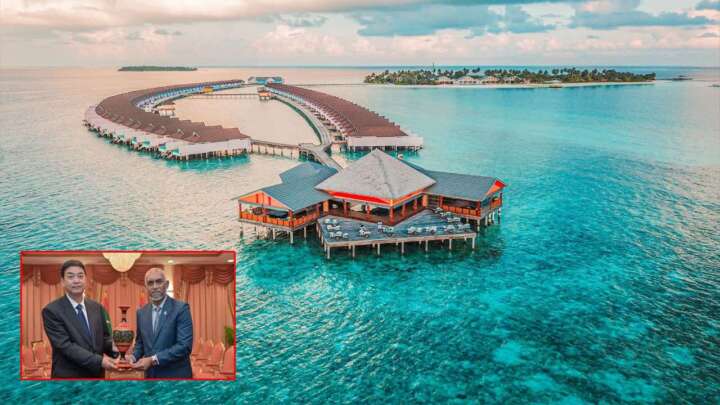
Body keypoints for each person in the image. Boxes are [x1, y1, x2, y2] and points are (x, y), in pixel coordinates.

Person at [42, 259, 118, 378]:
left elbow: (104, 338)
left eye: (80, 276)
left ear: (85, 280)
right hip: (68, 377)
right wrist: (99, 361)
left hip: (96, 376)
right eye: (71, 276)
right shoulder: (52, 311)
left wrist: (116, 348)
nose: (76, 280)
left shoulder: (97, 308)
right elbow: (66, 346)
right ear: (62, 282)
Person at [129, 267, 193, 378]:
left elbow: (184, 346)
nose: (155, 287)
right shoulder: (141, 313)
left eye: (158, 282)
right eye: (150, 283)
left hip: (176, 378)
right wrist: (133, 357)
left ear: (166, 285)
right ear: (146, 287)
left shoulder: (181, 309)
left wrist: (153, 360)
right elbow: (140, 343)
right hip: (151, 378)